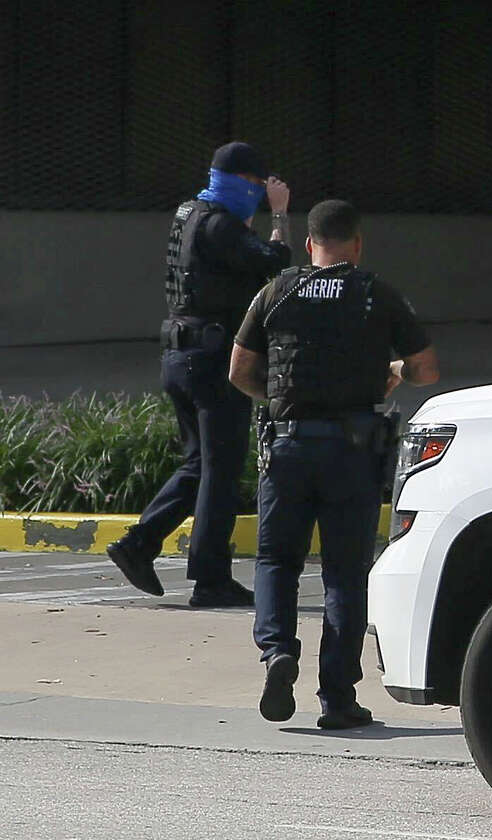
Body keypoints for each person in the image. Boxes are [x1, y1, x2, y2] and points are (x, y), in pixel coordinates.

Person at [229, 199, 439, 728]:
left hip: (287, 444)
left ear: (308, 244)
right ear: (358, 242)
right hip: (351, 450)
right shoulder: (375, 293)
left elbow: (239, 370)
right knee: (345, 575)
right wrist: (391, 369)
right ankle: (338, 699)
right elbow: (426, 369)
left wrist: (280, 403)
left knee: (277, 561)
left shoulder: (276, 291)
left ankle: (277, 651)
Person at [106, 142, 293, 607]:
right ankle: (210, 579)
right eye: (255, 187)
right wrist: (280, 215)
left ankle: (139, 544)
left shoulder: (189, 213)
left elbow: (232, 260)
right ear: (242, 184)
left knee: (200, 465)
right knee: (222, 470)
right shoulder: (219, 225)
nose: (258, 195)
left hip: (181, 356)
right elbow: (274, 263)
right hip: (211, 361)